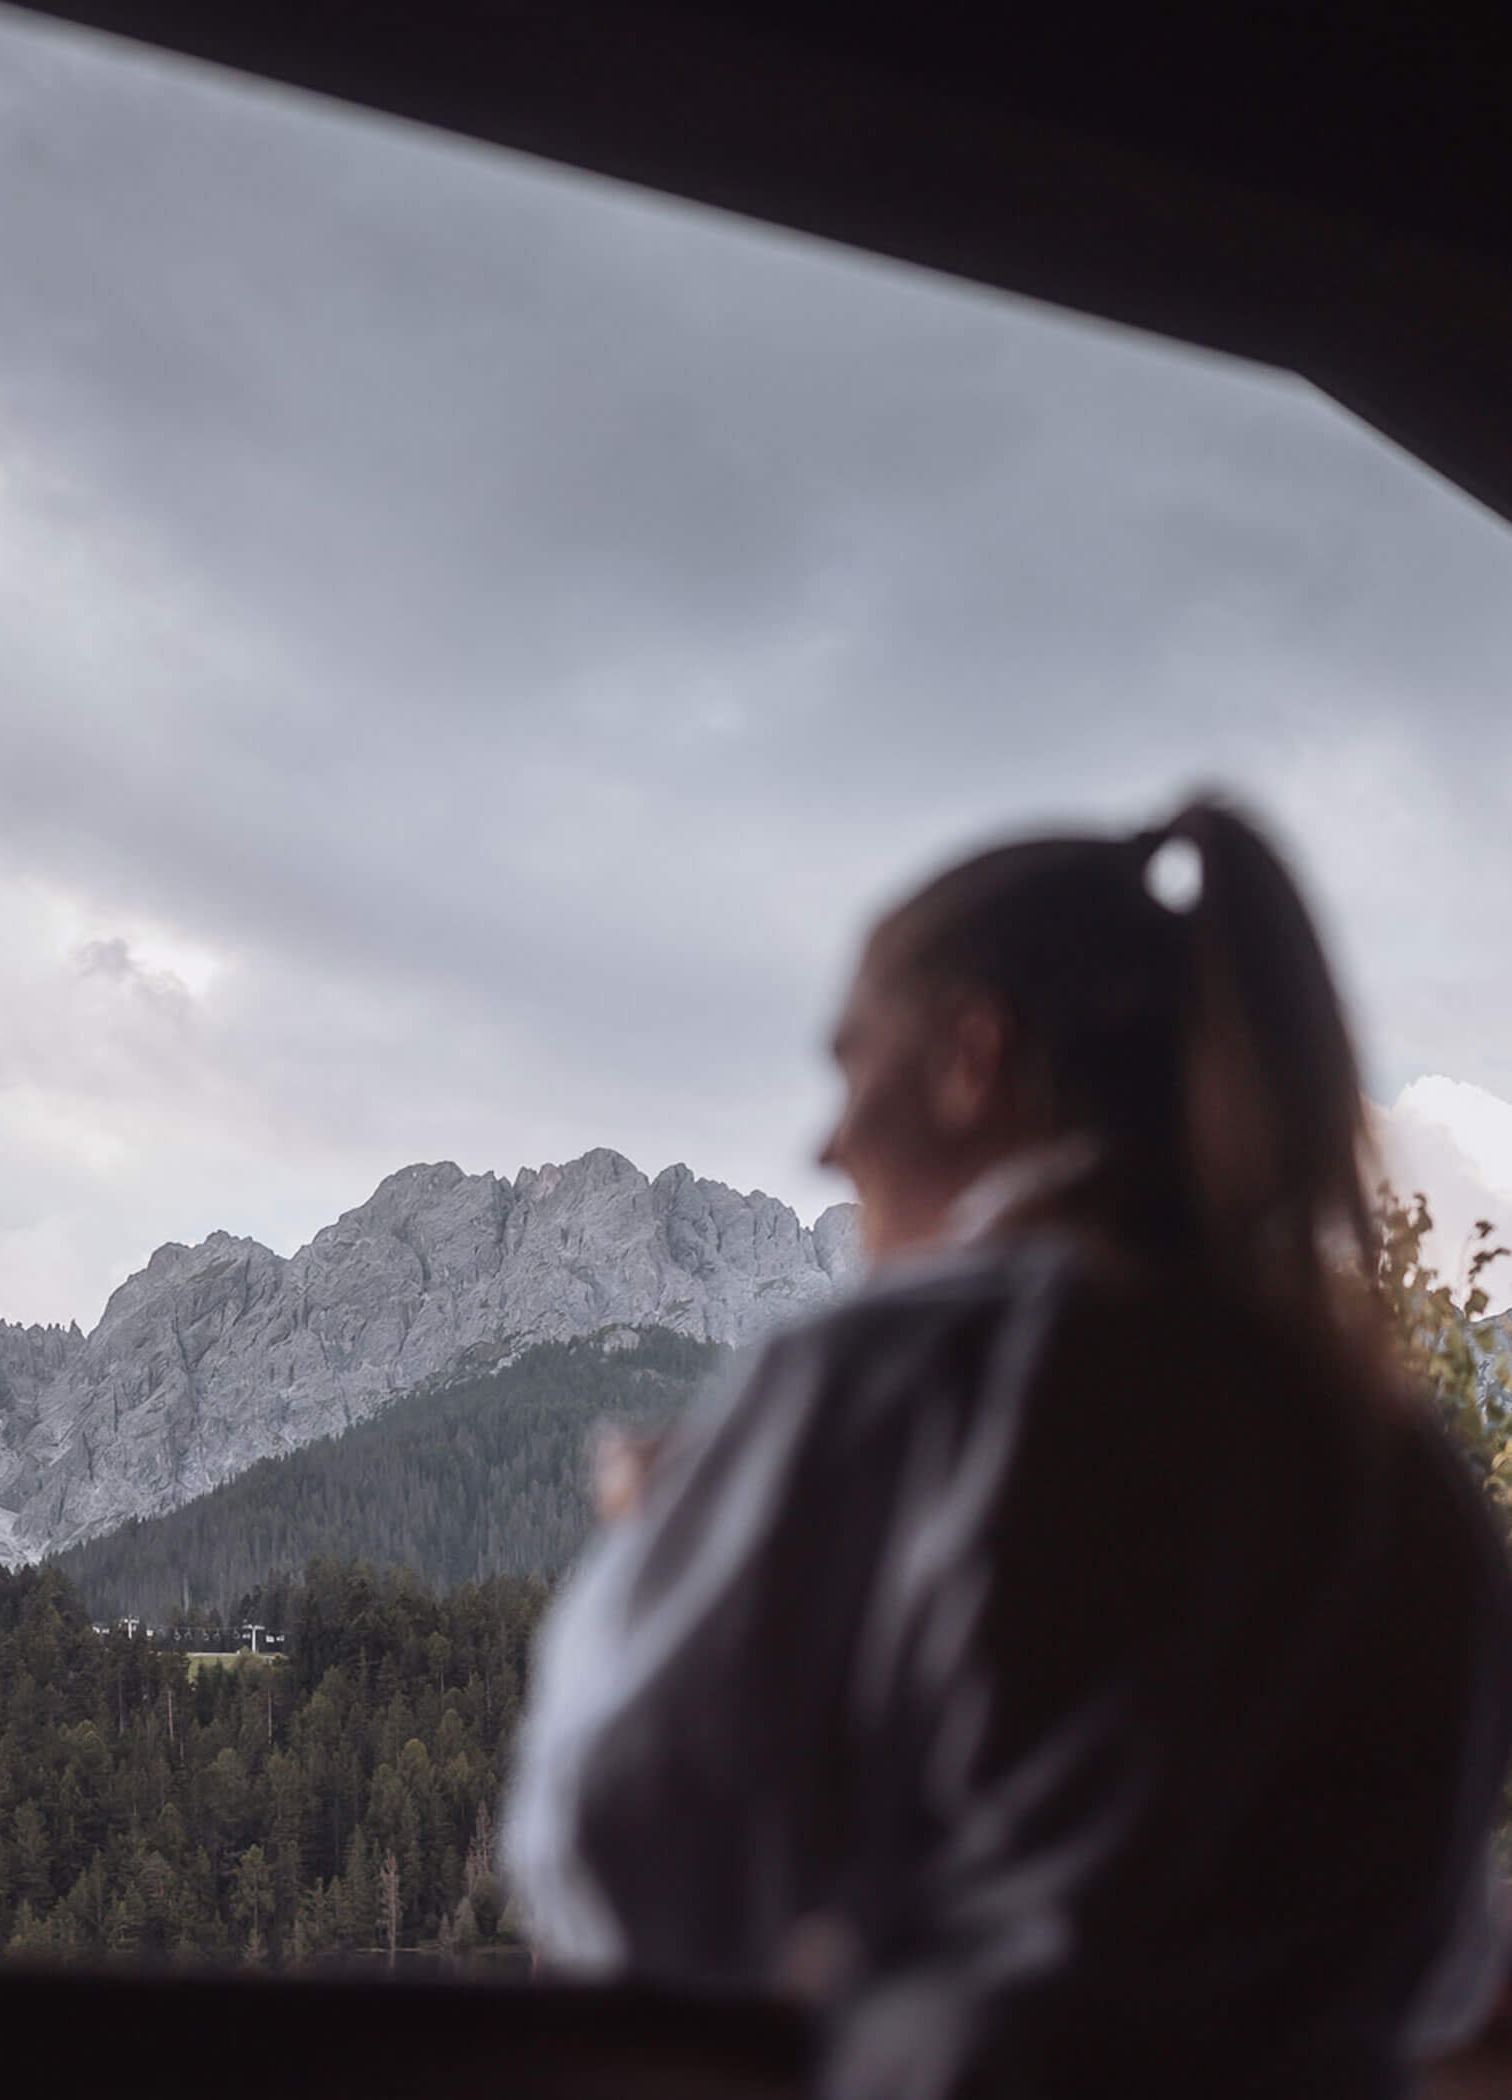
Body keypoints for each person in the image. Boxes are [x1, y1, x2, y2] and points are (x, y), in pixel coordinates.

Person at [501, 796, 1512, 2099]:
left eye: (852, 1062)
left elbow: (617, 1861)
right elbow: (1434, 1959)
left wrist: (667, 1549)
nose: (828, 1142)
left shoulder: (906, 1376)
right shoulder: (1396, 1458)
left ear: (972, 1058)